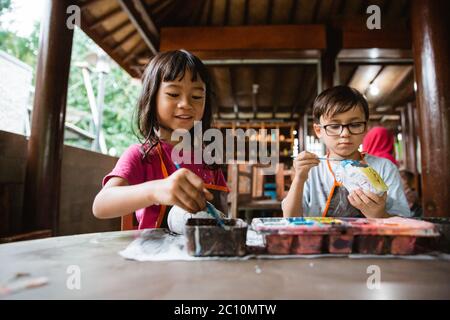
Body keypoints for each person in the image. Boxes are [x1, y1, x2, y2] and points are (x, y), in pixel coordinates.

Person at [92, 50, 229, 229]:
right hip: (154, 254)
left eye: (196, 97)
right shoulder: (142, 155)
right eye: (173, 94)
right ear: (151, 98)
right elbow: (100, 205)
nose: (186, 104)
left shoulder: (208, 159)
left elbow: (222, 212)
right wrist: (155, 191)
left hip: (202, 253)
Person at [282, 86, 410, 218]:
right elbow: (290, 218)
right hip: (319, 239)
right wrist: (299, 178)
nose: (345, 133)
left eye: (354, 125)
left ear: (365, 127)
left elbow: (404, 220)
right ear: (319, 130)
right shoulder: (311, 170)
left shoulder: (384, 168)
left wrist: (379, 215)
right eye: (334, 126)